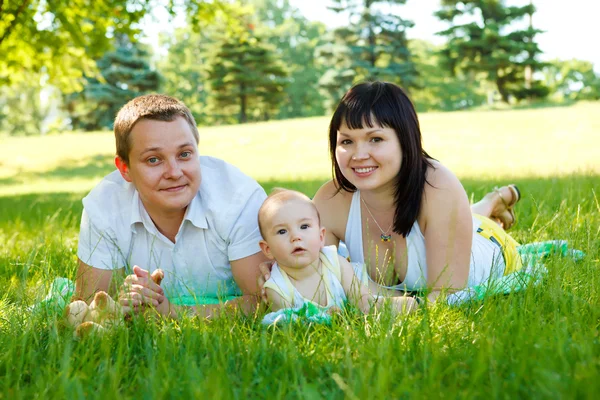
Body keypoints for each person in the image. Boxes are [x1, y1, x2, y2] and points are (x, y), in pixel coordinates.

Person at [260, 81, 524, 304]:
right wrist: (281, 274)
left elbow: (447, 297)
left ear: (404, 139)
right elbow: (319, 279)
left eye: (375, 139)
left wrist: (387, 307)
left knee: (480, 224)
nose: (359, 155)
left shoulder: (438, 186)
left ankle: (494, 201)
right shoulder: (330, 201)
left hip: (491, 245)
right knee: (468, 216)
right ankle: (493, 200)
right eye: (347, 141)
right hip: (453, 223)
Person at [75, 94, 268, 318]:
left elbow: (261, 302)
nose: (174, 173)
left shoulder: (239, 199)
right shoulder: (103, 206)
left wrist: (173, 313)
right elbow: (88, 308)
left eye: (184, 154)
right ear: (124, 168)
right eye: (153, 160)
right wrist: (124, 305)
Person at [258, 189, 417, 314]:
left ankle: (416, 298)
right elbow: (291, 325)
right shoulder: (277, 289)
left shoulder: (333, 261)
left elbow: (362, 302)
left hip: (364, 286)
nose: (295, 237)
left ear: (321, 237)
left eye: (304, 227)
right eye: (282, 232)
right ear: (267, 249)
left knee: (395, 298)